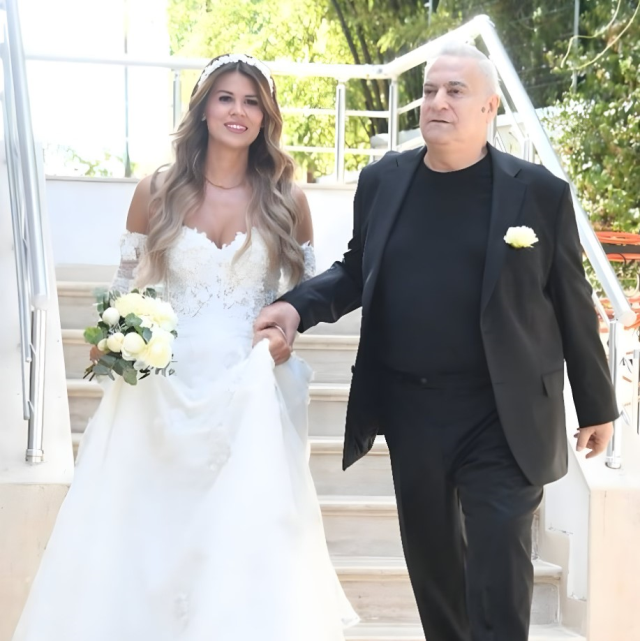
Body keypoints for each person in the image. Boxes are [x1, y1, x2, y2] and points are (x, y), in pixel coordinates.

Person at [254, 42, 618, 641]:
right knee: (436, 571)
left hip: (503, 413)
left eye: (454, 91)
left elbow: (572, 301)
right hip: (413, 410)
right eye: (428, 91)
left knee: (499, 568)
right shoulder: (384, 180)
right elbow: (356, 269)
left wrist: (597, 403)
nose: (437, 102)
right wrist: (296, 307)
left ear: (489, 107)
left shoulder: (538, 191)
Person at [12, 53, 357, 641]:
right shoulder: (157, 190)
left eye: (251, 101)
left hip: (248, 391)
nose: (238, 111)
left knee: (242, 540)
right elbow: (123, 292)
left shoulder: (286, 199)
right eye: (226, 98)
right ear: (202, 109)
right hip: (162, 390)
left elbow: (301, 298)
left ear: (265, 116)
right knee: (151, 535)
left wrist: (284, 334)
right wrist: (115, 339)